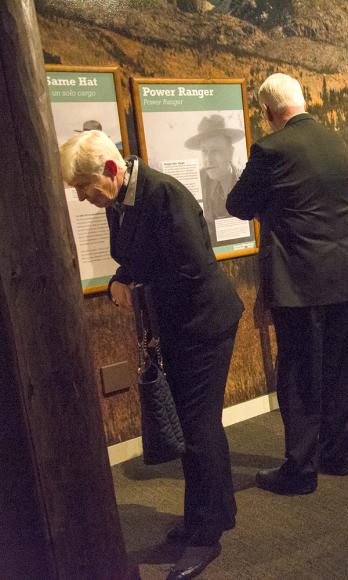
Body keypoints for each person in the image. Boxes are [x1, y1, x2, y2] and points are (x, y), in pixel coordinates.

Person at [60, 130, 243, 580]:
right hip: (177, 327)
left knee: (199, 428)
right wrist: (119, 279)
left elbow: (192, 270)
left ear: (108, 170)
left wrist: (136, 283)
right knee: (191, 424)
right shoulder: (122, 201)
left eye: (83, 186)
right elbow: (136, 258)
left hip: (204, 325)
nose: (83, 198)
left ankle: (205, 536)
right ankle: (211, 513)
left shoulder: (164, 195)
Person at [226, 73, 348, 496]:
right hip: (344, 275)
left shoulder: (270, 149)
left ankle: (301, 469)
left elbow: (237, 204)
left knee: (300, 376)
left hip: (298, 284)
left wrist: (273, 205)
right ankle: (337, 454)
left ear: (267, 112)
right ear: (302, 102)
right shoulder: (335, 142)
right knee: (341, 368)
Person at [184, 114, 246, 248]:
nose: (208, 159)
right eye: (204, 151)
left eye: (215, 150)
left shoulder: (245, 180)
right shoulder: (196, 182)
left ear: (230, 152)